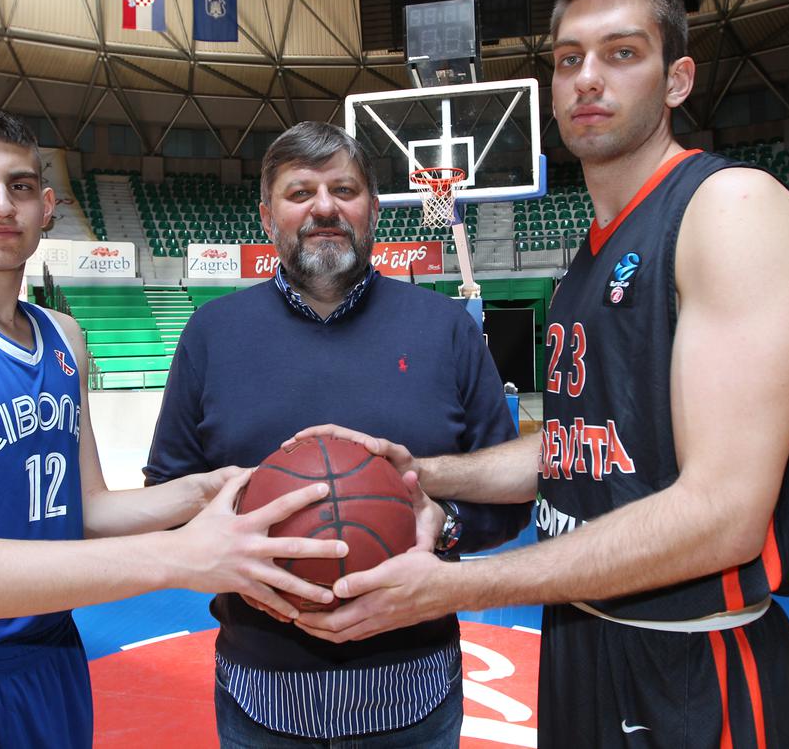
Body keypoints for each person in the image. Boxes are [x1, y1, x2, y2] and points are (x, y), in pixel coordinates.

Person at [292, 0, 789, 749]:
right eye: (569, 58)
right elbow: (578, 449)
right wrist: (419, 471)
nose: (587, 79)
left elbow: (723, 517)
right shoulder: (588, 256)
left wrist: (455, 585)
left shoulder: (729, 208)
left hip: (690, 657)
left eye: (621, 53)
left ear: (677, 80)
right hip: (582, 636)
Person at [0, 106, 347, 748]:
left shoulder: (62, 336)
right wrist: (176, 557)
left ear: (46, 206)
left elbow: (85, 510)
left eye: (18, 186)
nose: (0, 206)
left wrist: (204, 491)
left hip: (48, 663)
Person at [144, 120, 531, 746]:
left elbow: (508, 498)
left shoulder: (447, 330)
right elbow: (167, 497)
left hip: (413, 696)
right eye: (301, 193)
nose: (324, 206)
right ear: (268, 217)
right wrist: (230, 556)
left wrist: (442, 524)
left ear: (373, 210)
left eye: (344, 189)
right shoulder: (212, 335)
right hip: (261, 699)